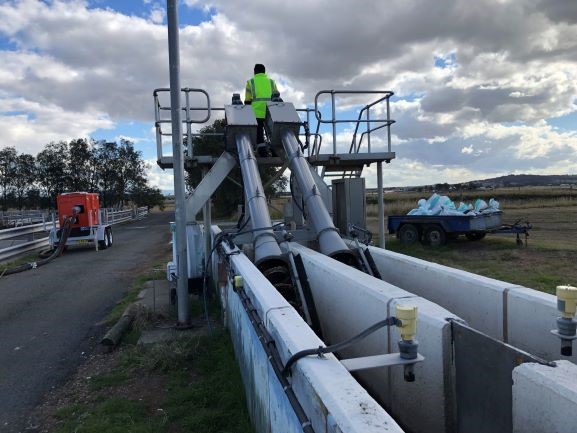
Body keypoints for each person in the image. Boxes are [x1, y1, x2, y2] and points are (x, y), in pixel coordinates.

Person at [244, 63, 279, 156]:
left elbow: (247, 100)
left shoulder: (250, 82)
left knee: (259, 133)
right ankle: (275, 151)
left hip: (257, 112)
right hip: (271, 111)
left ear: (255, 71)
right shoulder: (272, 82)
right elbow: (277, 97)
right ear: (264, 72)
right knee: (271, 132)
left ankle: (262, 152)